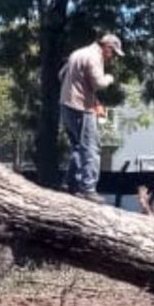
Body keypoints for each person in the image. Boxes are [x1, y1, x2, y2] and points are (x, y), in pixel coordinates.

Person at [60, 33, 121, 198]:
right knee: (91, 148)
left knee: (77, 147)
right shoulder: (94, 57)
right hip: (81, 108)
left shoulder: (78, 53)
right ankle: (89, 188)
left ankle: (70, 184)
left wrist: (94, 101)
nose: (112, 57)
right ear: (107, 47)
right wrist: (109, 78)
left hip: (66, 105)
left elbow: (62, 75)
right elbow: (98, 83)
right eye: (113, 53)